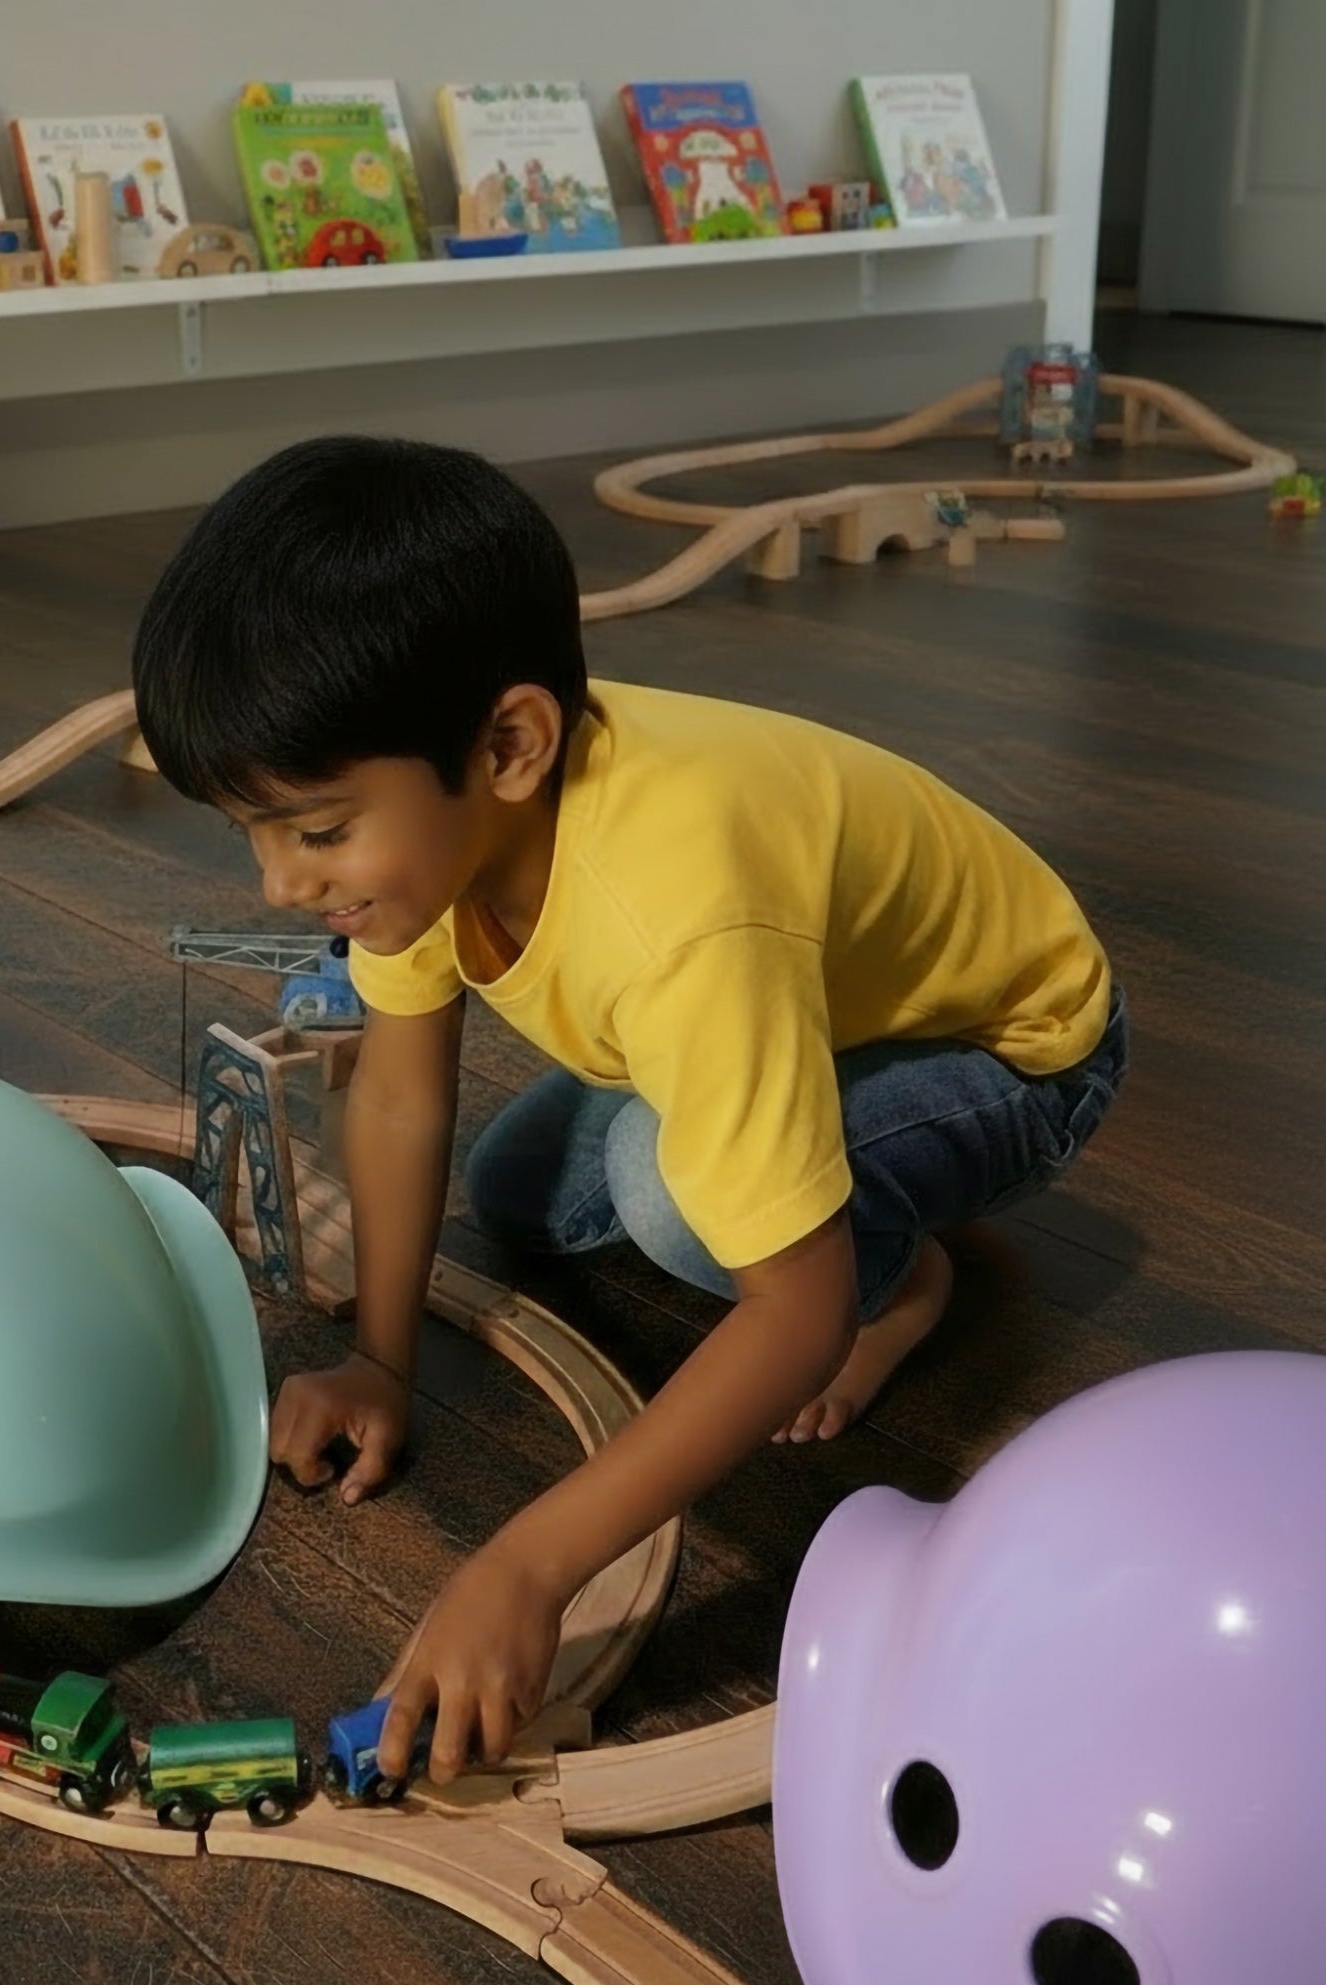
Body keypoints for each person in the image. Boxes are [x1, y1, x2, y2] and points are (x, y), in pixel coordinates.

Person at [130, 435, 1129, 1788]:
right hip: (793, 1007)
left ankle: (901, 1286)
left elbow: (786, 1314)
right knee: (516, 1184)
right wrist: (379, 1359)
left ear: (510, 745)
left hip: (1014, 1052)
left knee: (672, 1199)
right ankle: (785, 1167)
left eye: (311, 832)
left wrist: (529, 1569)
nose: (275, 885)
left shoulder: (678, 911)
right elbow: (407, 1098)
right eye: (253, 836)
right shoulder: (432, 841)